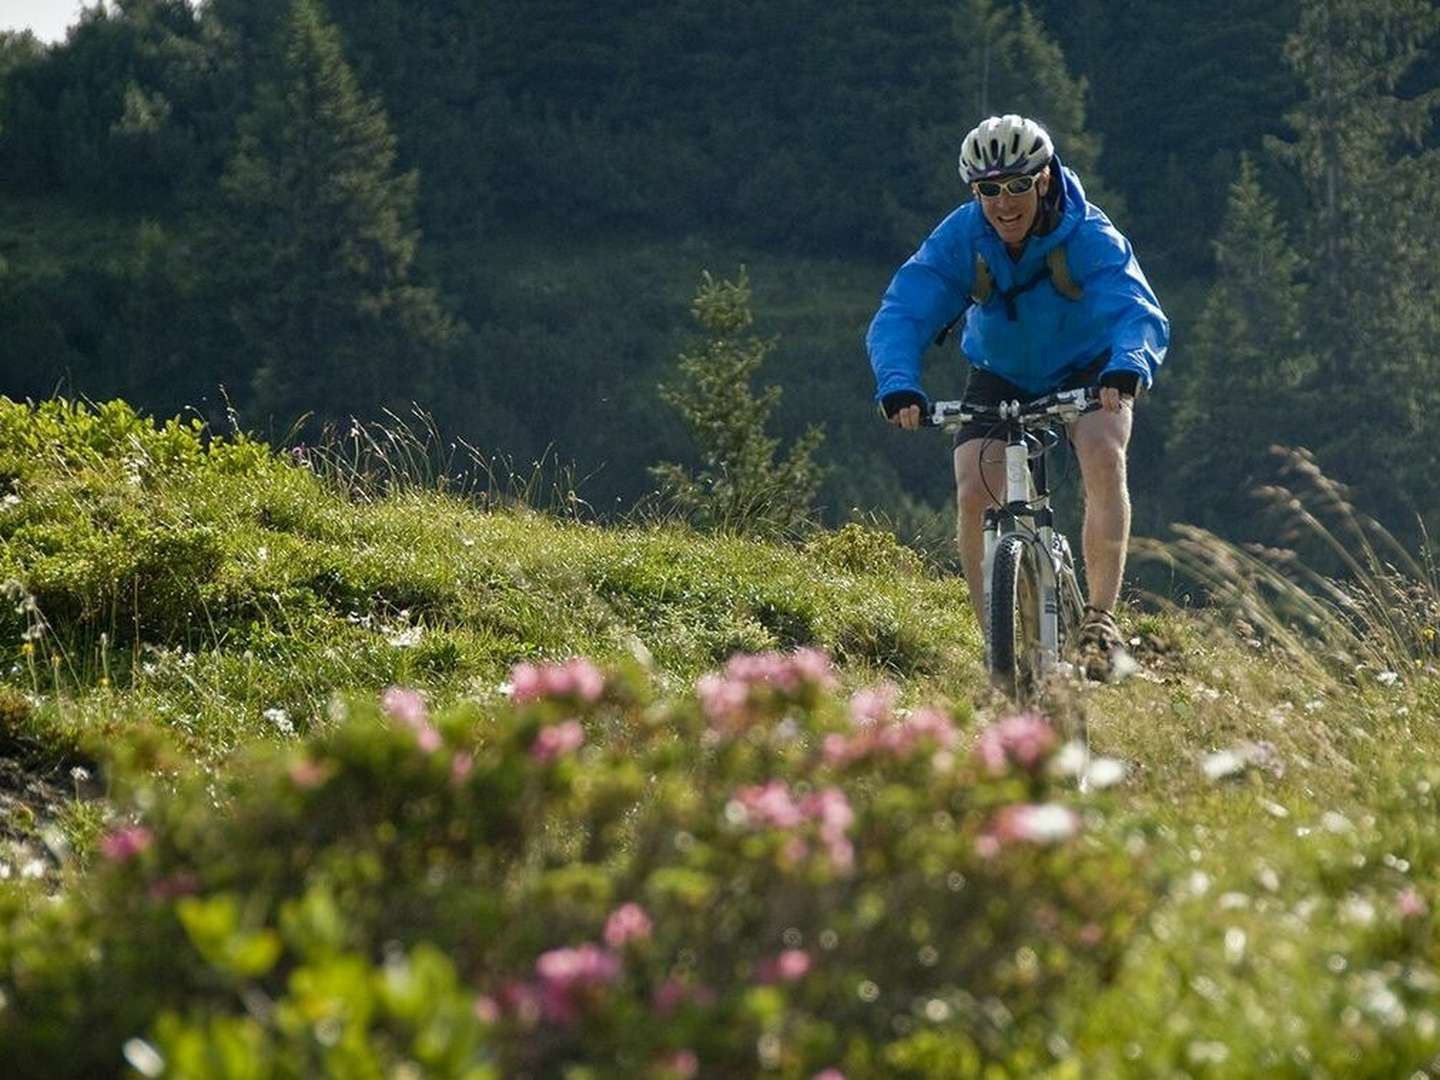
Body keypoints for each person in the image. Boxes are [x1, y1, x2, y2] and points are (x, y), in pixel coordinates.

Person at [866, 113, 1169, 657]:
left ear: (1045, 179)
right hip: (1000, 371)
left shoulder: (1090, 234)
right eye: (988, 190)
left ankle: (1101, 618)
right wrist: (898, 383)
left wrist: (1128, 365)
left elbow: (1134, 307)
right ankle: (996, 649)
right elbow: (905, 308)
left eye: (1018, 186)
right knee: (973, 490)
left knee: (1102, 451)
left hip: (1092, 367)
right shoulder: (963, 237)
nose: (1004, 203)